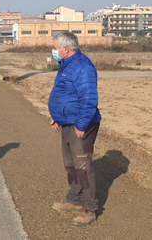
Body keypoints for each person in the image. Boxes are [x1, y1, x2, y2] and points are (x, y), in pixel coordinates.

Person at [48, 31, 101, 226]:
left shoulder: (82, 67)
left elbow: (89, 100)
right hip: (68, 122)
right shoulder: (66, 64)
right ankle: (75, 200)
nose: (53, 51)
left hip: (81, 125)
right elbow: (65, 95)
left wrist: (82, 124)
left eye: (55, 47)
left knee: (82, 167)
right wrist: (58, 117)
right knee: (70, 164)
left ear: (66, 49)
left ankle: (90, 209)